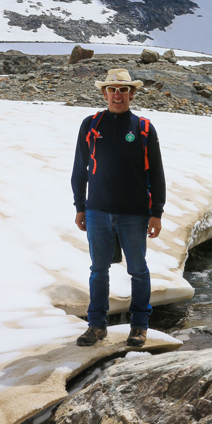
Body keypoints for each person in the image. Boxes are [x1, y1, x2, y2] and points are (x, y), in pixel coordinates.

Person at [71, 68, 165, 348]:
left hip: (134, 212)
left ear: (132, 93)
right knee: (98, 270)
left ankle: (139, 326)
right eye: (112, 89)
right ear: (104, 93)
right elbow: (80, 168)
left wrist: (156, 212)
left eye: (123, 90)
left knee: (138, 270)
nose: (117, 95)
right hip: (97, 210)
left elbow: (157, 173)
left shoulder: (143, 128)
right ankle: (96, 326)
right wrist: (80, 206)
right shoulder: (91, 124)